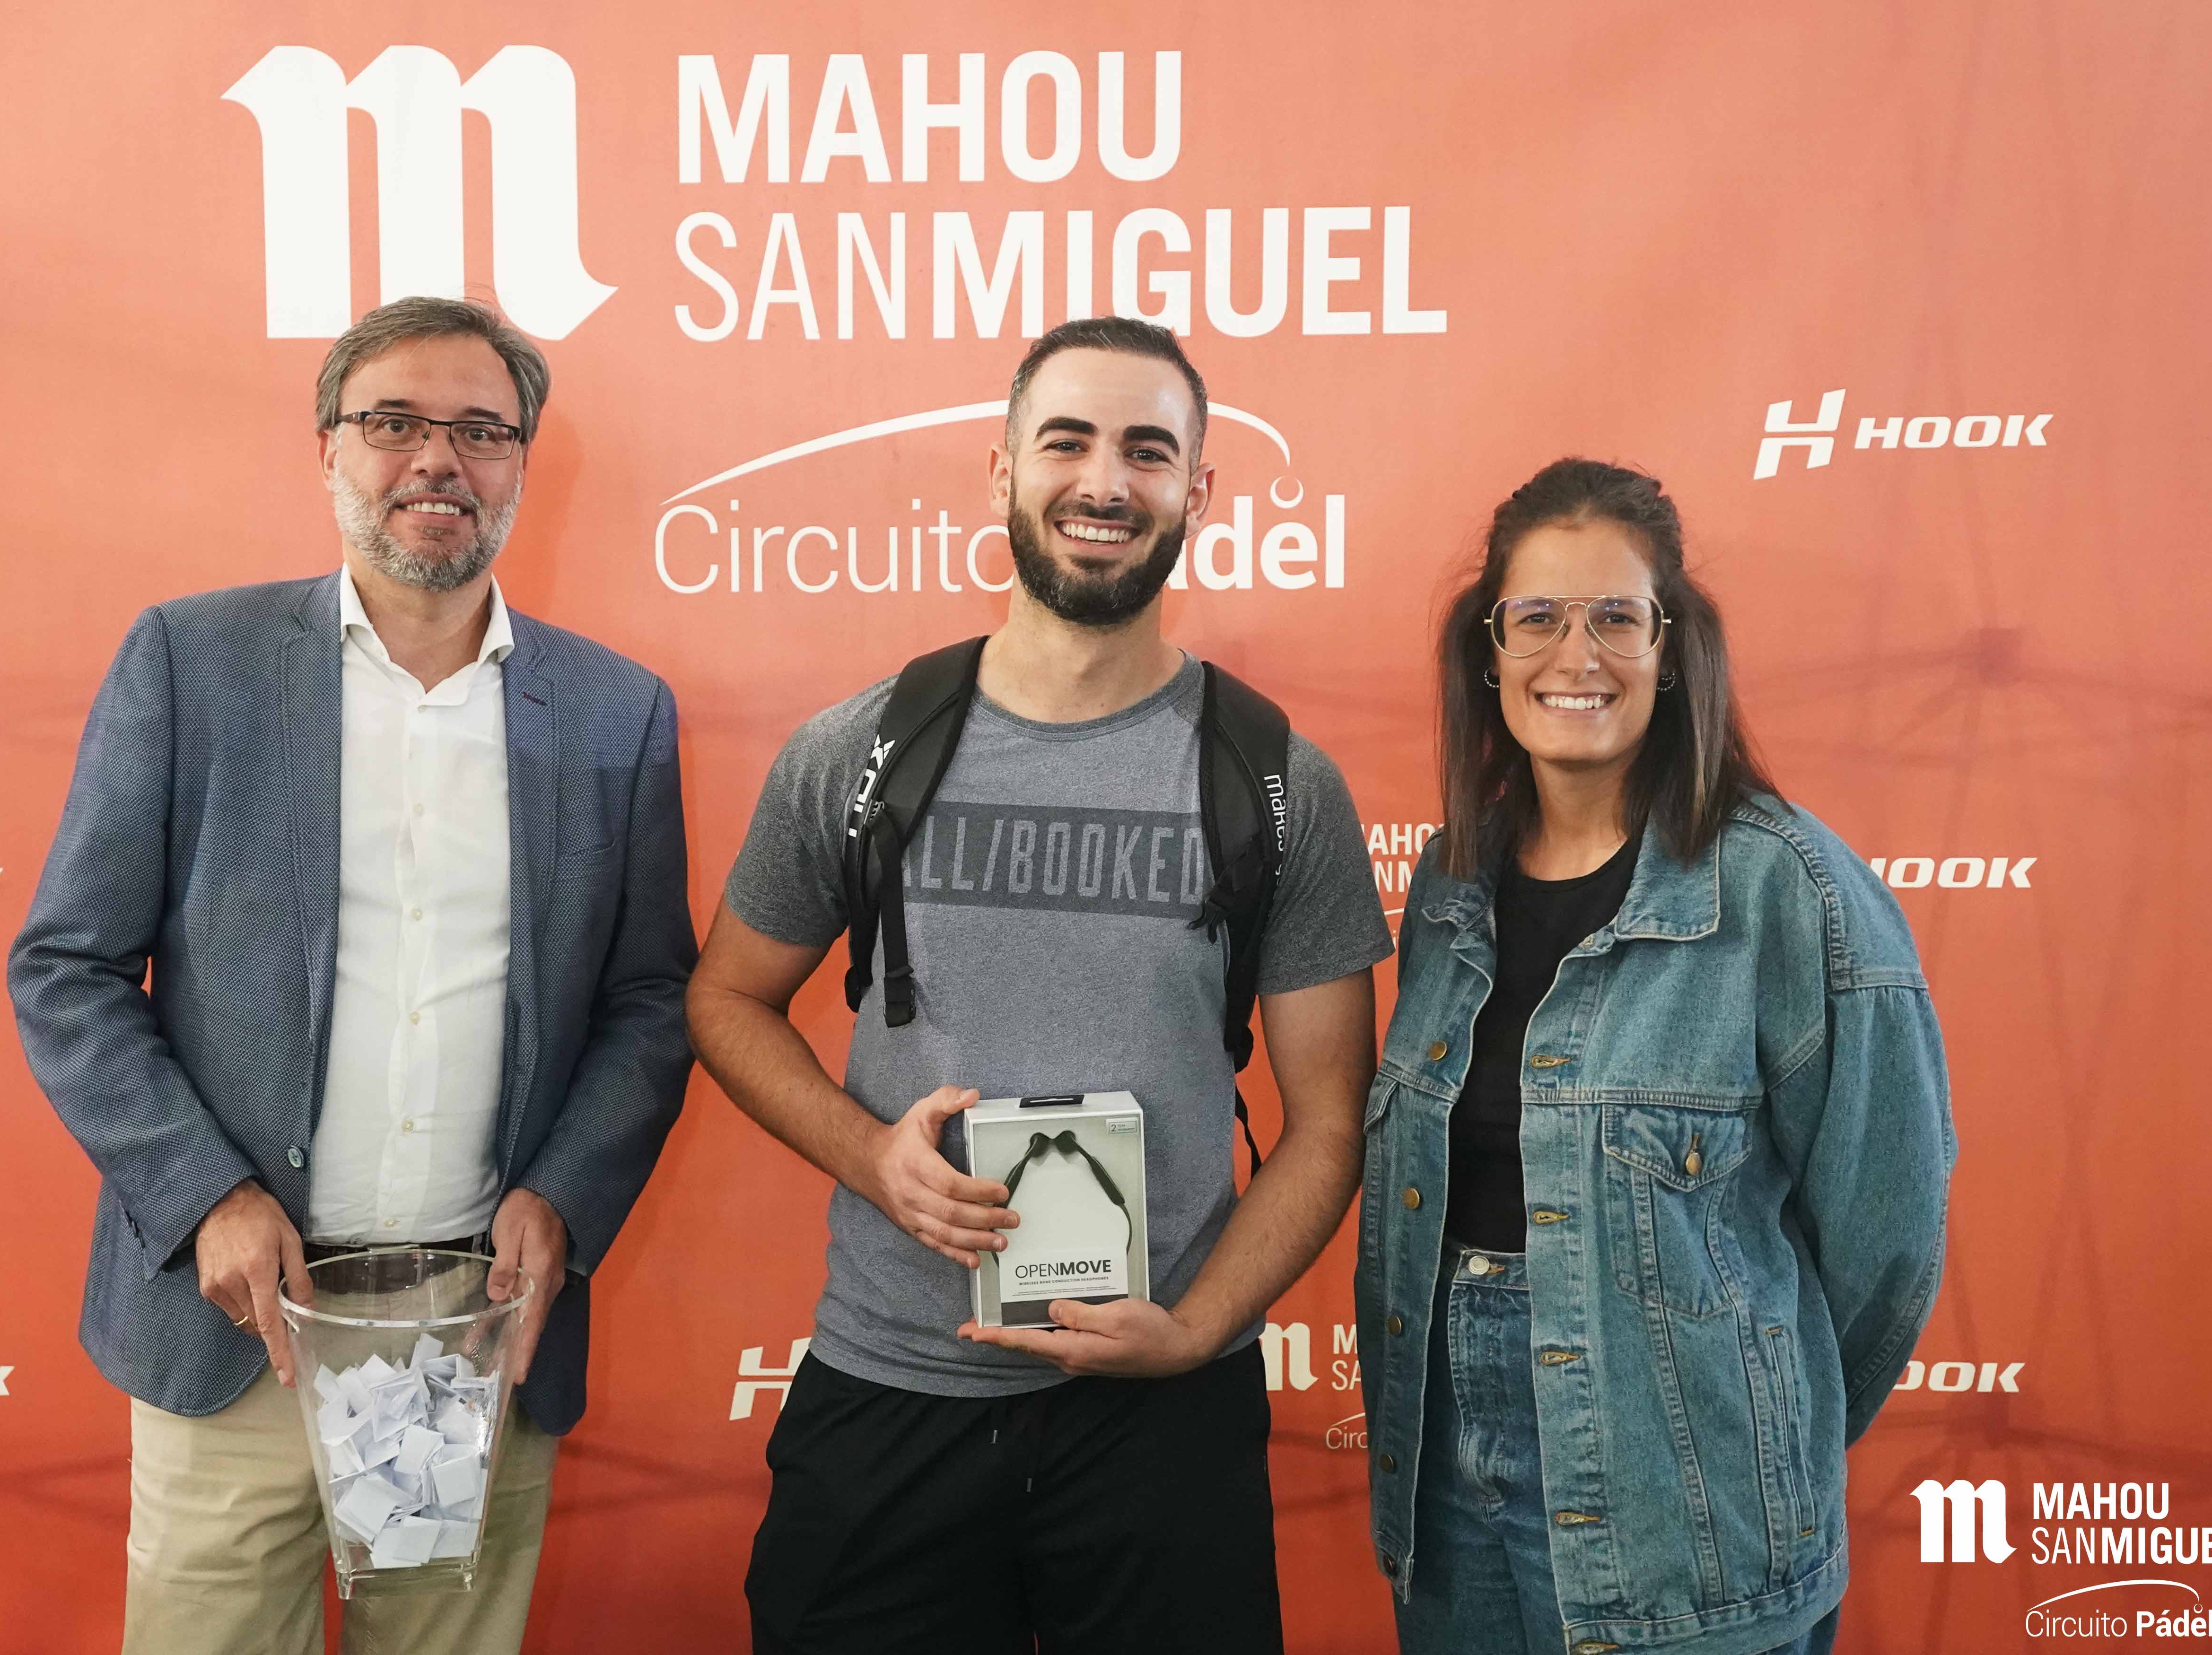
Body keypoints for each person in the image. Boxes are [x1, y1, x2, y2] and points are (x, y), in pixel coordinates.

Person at [689, 315, 1394, 1654]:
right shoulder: (858, 753)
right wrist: (869, 1155)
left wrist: (1194, 1328)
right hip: (893, 1387)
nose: (1105, 482)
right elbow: (725, 999)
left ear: (1199, 490)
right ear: (1002, 471)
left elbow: (1328, 1123)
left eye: (1148, 451)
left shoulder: (1278, 783)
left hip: (1161, 1417)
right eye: (1066, 442)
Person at [7, 296, 695, 1655]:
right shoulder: (193, 665)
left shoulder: (617, 710)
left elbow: (648, 1000)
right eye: (394, 423)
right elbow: (66, 967)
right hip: (238, 1329)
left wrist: (566, 1193)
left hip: (469, 1333)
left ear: (521, 463)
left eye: (481, 430)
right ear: (328, 448)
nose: (438, 459)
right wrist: (205, 1196)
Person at [1357, 459, 1953, 1655]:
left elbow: (1888, 1239)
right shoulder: (1450, 881)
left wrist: (1745, 1439)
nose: (1576, 654)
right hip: (1447, 1497)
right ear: (1490, 651)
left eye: (1617, 617)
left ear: (1672, 648)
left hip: (1688, 1523)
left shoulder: (1788, 889)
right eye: (1538, 616)